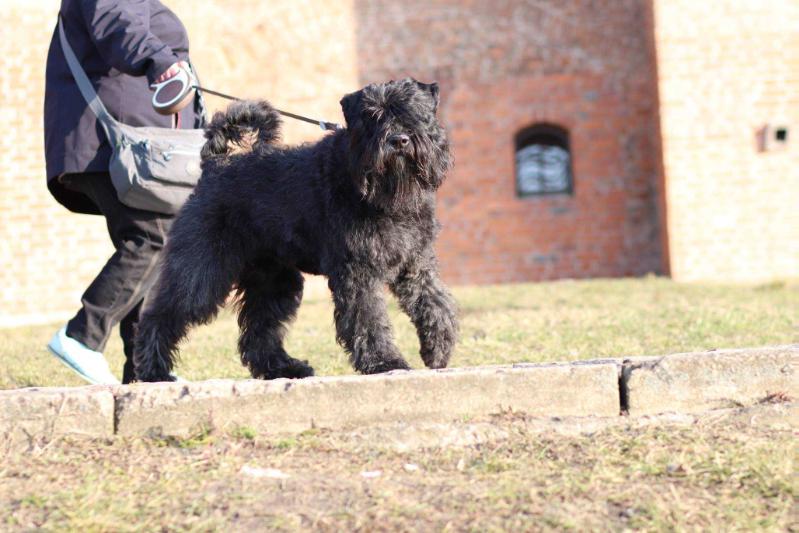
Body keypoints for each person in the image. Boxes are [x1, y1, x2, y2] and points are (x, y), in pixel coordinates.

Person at [44, 0, 205, 384]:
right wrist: (160, 59)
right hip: (109, 141)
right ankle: (82, 336)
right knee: (154, 237)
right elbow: (116, 20)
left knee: (156, 241)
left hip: (122, 141)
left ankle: (146, 368)